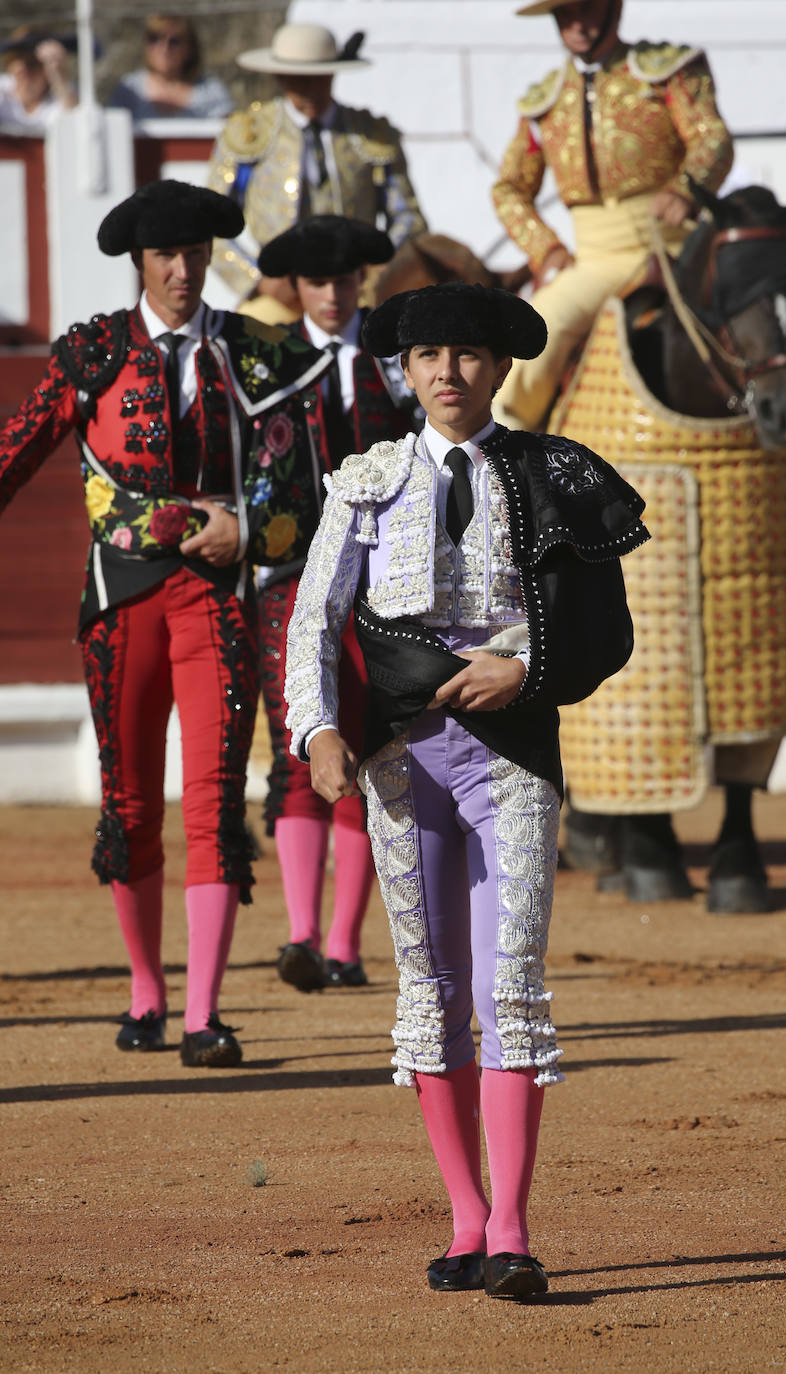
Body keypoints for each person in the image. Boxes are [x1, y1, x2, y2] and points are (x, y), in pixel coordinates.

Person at [284, 282, 647, 1298]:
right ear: (404, 370)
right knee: (431, 995)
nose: (450, 372)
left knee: (511, 990)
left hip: (511, 755)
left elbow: (604, 630)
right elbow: (316, 619)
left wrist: (523, 669)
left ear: (499, 367)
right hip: (402, 763)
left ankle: (515, 1228)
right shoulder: (365, 480)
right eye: (429, 355)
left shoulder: (553, 472)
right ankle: (465, 1218)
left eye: (470, 355)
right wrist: (314, 728)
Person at [0, 180, 331, 1068]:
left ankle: (204, 1014)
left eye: (193, 256)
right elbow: (14, 453)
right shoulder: (93, 353)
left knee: (216, 805)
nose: (183, 272)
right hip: (120, 601)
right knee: (131, 803)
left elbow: (301, 493)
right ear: (139, 264)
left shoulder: (255, 355)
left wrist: (248, 531)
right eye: (165, 258)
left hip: (213, 603)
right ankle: (147, 993)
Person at [255, 214, 419, 992]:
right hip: (290, 578)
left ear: (362, 281)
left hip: (383, 583)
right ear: (295, 286)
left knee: (369, 745)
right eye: (317, 281)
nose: (330, 294)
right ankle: (301, 935)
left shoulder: (396, 363)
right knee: (304, 740)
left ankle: (346, 944)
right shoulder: (271, 364)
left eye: (343, 280)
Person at [491, 0, 733, 431]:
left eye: (585, 9)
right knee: (533, 342)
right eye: (564, 15)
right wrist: (545, 249)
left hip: (683, 245)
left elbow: (711, 137)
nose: (576, 25)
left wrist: (684, 189)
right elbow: (509, 189)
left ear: (613, 10)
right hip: (599, 259)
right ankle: (504, 469)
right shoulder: (543, 102)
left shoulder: (668, 71)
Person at [207, 22, 427, 316]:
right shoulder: (249, 132)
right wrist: (259, 279)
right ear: (279, 77)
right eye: (298, 80)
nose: (309, 90)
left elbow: (409, 219)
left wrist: (376, 265)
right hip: (280, 293)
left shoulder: (370, 134)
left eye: (318, 79)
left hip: (358, 291)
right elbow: (211, 225)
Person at [108, 14, 233, 122]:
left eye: (174, 41)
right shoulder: (130, 89)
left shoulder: (211, 90)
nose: (164, 48)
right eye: (154, 38)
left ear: (190, 48)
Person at [0, 27, 77, 130]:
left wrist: (59, 76)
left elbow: (76, 125)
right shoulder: (3, 89)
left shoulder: (60, 96)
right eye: (16, 60)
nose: (24, 71)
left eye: (33, 64)